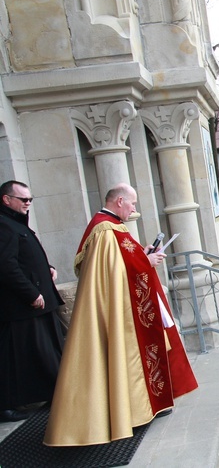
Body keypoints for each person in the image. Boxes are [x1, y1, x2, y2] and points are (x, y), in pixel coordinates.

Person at [45, 183, 197, 446]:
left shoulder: (109, 226)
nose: (134, 209)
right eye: (132, 204)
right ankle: (131, 412)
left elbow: (120, 264)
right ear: (119, 201)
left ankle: (143, 407)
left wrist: (143, 255)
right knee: (123, 357)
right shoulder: (106, 229)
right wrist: (146, 262)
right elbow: (115, 273)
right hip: (121, 313)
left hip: (126, 307)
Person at [0, 180, 65, 423]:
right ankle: (5, 406)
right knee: (15, 357)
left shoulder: (14, 223)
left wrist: (46, 268)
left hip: (35, 303)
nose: (28, 203)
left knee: (42, 353)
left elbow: (25, 258)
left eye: (30, 199)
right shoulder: (4, 225)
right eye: (23, 199)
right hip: (22, 306)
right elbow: (6, 266)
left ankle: (51, 393)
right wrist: (31, 293)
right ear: (7, 200)